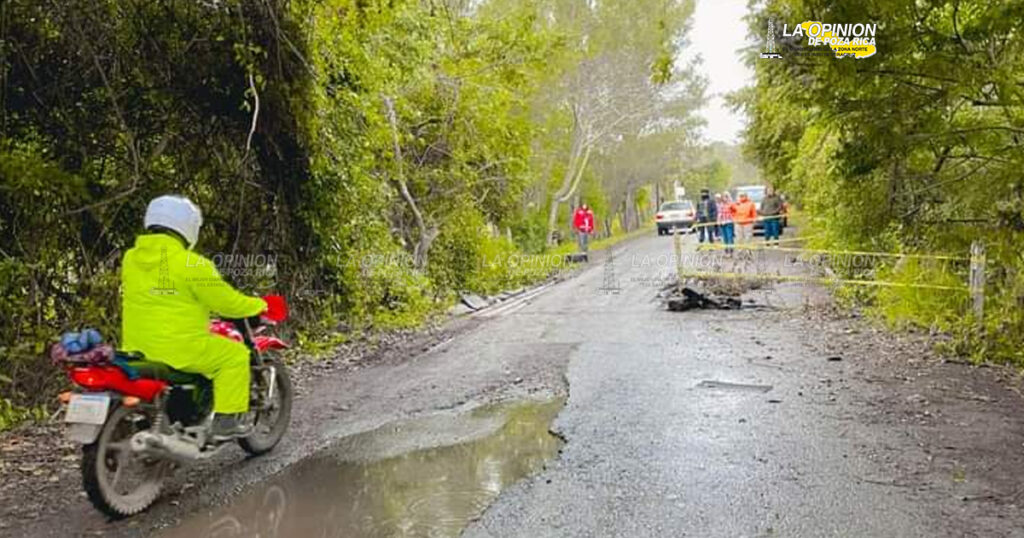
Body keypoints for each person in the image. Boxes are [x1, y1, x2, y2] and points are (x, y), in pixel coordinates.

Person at [120, 195, 269, 438]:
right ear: (186, 226)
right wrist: (257, 305)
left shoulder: (130, 260)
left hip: (136, 349)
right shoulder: (191, 264)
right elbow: (227, 303)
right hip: (180, 349)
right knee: (234, 355)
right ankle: (226, 423)